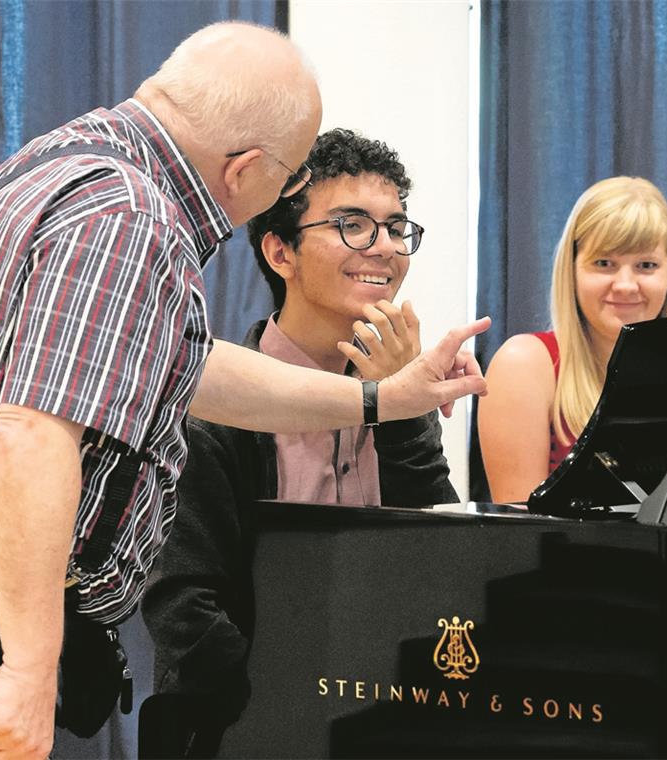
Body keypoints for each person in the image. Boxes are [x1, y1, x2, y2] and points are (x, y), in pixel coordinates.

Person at [0, 21, 489, 760]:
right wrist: (30, 670)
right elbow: (32, 433)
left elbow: (187, 369)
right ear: (245, 168)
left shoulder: (85, 155)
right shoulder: (131, 218)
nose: (283, 191)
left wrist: (382, 401)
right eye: (289, 176)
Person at [140, 128, 459, 757]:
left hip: (388, 724)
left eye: (396, 228)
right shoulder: (217, 405)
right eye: (351, 224)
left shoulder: (402, 387)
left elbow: (439, 564)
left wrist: (398, 405)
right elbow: (182, 608)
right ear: (280, 252)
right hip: (247, 729)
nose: (383, 248)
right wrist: (298, 709)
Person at [478, 176, 667, 503]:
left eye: (646, 265)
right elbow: (519, 537)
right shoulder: (524, 364)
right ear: (571, 269)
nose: (626, 285)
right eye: (605, 263)